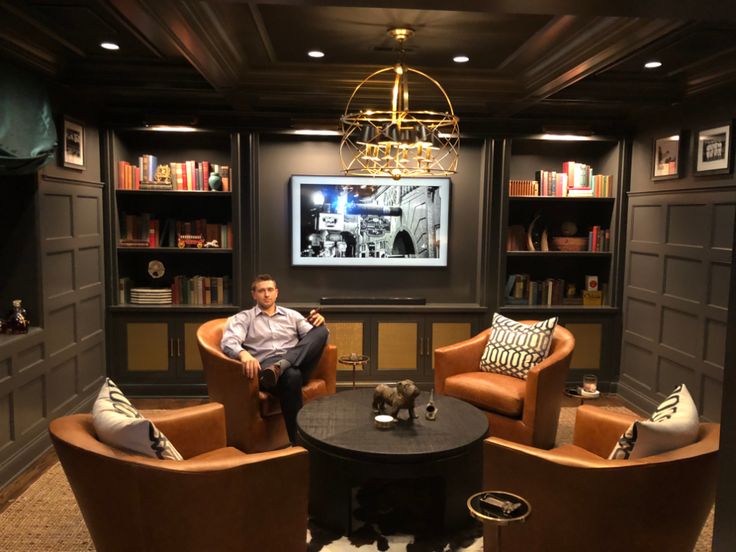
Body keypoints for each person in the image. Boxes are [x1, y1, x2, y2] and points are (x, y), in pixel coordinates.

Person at [220, 274, 328, 444]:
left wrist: (318, 323)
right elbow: (228, 342)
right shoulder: (244, 318)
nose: (267, 294)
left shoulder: (292, 316)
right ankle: (298, 442)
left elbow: (313, 338)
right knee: (291, 375)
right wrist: (243, 354)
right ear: (254, 294)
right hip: (268, 372)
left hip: (298, 364)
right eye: (261, 291)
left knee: (322, 331)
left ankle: (282, 365)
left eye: (270, 290)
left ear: (276, 292)